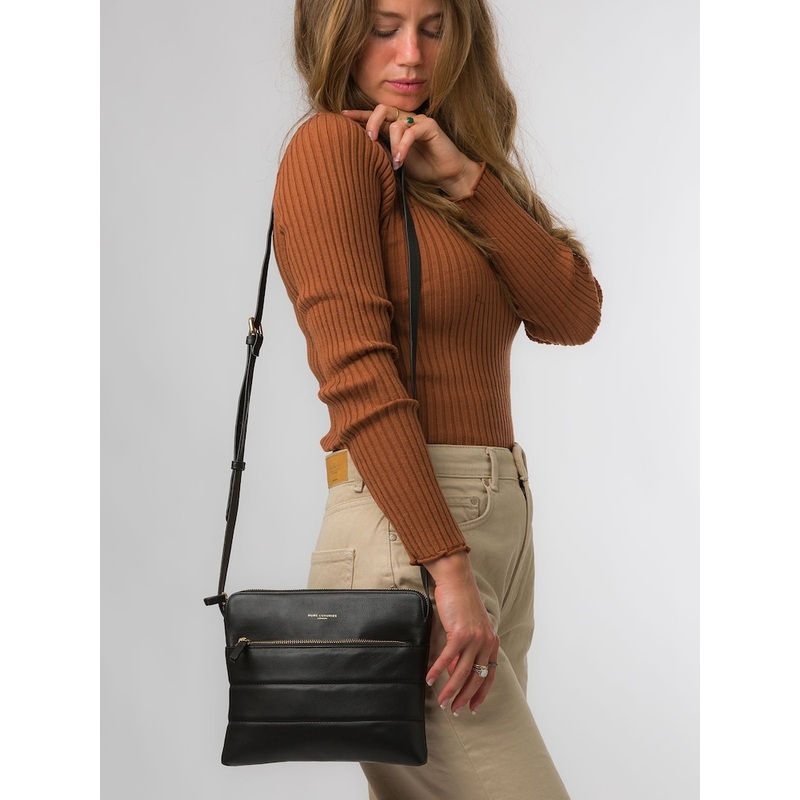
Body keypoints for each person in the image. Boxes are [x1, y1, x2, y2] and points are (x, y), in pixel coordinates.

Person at [272, 0, 602, 797]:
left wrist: (462, 179)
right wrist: (445, 570)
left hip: (491, 535)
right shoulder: (331, 151)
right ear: (335, 33)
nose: (411, 54)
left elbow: (571, 314)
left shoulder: (443, 168)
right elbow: (357, 372)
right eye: (383, 27)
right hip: (410, 538)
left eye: (433, 27)